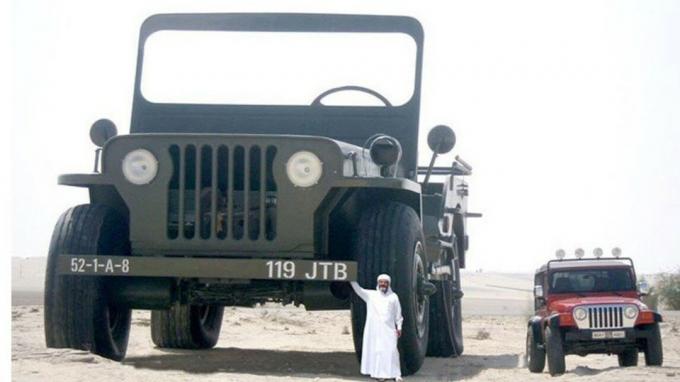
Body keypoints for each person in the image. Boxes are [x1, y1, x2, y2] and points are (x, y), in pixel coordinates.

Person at [350, 274, 404, 381]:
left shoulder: (393, 297)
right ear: (378, 283)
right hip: (375, 331)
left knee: (392, 351)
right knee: (378, 352)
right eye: (381, 282)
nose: (383, 284)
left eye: (385, 282)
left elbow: (398, 315)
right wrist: (350, 279)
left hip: (389, 330)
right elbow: (358, 290)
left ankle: (396, 374)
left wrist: (399, 327)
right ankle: (380, 375)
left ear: (389, 284)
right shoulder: (371, 295)